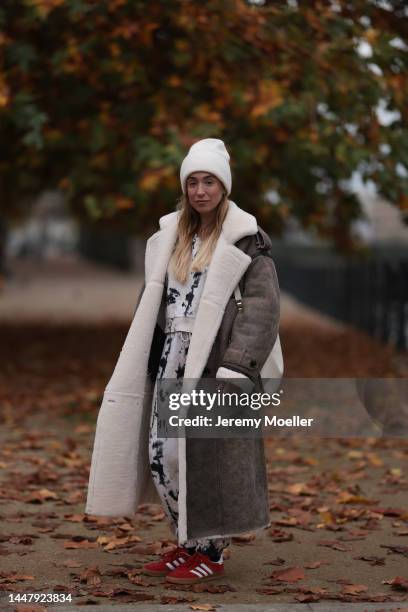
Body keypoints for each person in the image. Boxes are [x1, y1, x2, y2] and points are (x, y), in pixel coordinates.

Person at [85, 138, 280, 585]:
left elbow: (263, 308)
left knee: (201, 457)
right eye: (192, 181)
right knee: (161, 456)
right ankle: (187, 542)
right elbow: (153, 303)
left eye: (208, 181)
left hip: (215, 365)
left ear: (223, 187)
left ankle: (210, 551)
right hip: (171, 357)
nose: (200, 190)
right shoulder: (170, 238)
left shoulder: (248, 242)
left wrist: (237, 367)